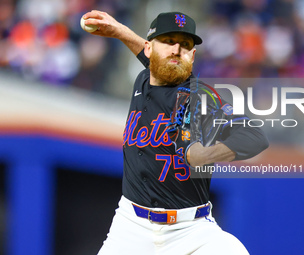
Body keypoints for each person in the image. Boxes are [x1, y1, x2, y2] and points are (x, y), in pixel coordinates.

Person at [82, 10, 269, 254]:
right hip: (130, 226)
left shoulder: (202, 97)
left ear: (192, 55)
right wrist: (120, 31)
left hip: (191, 230)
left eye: (185, 45)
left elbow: (255, 137)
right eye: (169, 41)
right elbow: (156, 60)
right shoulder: (143, 79)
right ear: (149, 49)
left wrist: (206, 154)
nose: (176, 49)